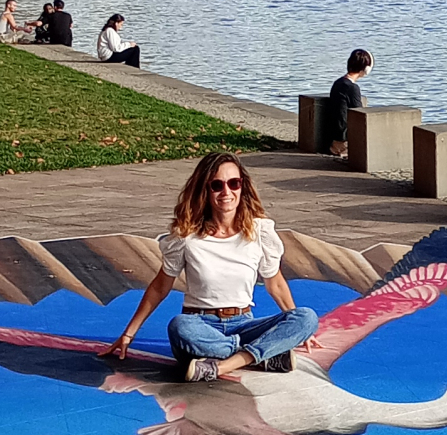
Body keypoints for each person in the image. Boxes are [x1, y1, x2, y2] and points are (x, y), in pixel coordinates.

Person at [106, 152, 317, 384]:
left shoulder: (260, 232)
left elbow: (275, 283)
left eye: (234, 183)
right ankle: (261, 355)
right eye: (217, 185)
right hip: (200, 324)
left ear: (242, 187)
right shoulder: (186, 236)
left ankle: (225, 364)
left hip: (243, 323)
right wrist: (129, 333)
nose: (227, 192)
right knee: (179, 327)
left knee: (306, 318)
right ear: (204, 190)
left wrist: (300, 331)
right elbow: (160, 287)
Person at [328, 48, 373, 159]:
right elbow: (359, 113)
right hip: (343, 137)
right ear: (366, 69)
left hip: (334, 132)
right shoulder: (352, 88)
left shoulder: (338, 82)